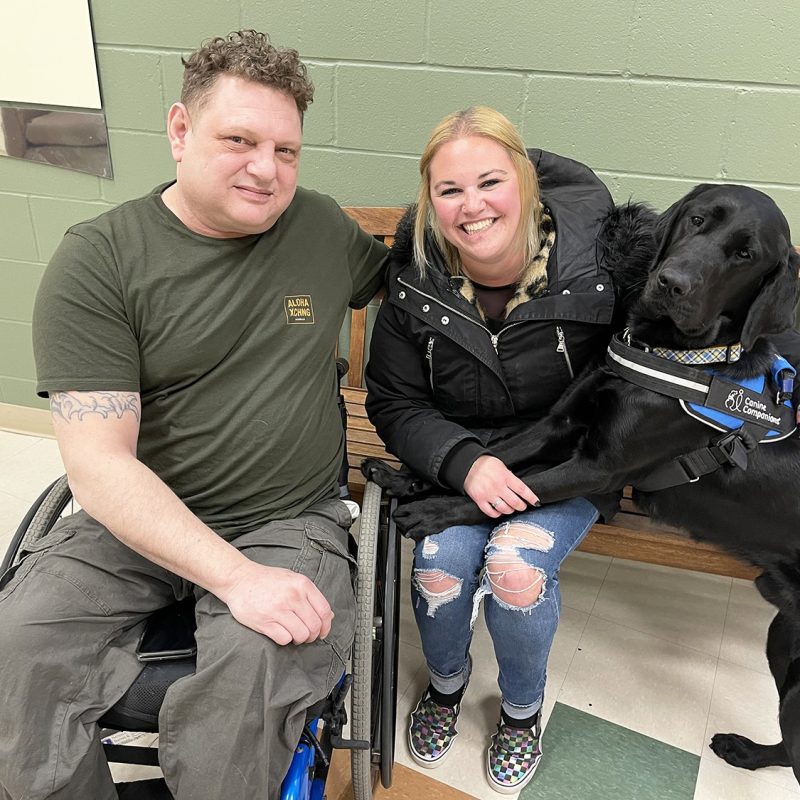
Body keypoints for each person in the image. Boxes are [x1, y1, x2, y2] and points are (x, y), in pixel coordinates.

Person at [0, 30, 387, 800]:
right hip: (134, 522)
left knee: (243, 694)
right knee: (13, 657)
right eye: (239, 140)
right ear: (180, 130)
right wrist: (235, 577)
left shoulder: (320, 228)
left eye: (287, 150)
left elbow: (434, 275)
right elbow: (101, 467)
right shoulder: (101, 261)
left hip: (287, 518)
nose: (266, 169)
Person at [365, 107, 619, 793]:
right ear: (430, 201)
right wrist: (463, 461)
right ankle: (447, 687)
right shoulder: (415, 278)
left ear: (526, 183)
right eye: (449, 191)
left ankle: (519, 711)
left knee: (514, 567)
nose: (472, 206)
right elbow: (394, 401)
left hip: (569, 459)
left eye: (490, 182)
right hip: (464, 454)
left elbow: (638, 380)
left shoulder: (599, 260)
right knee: (441, 565)